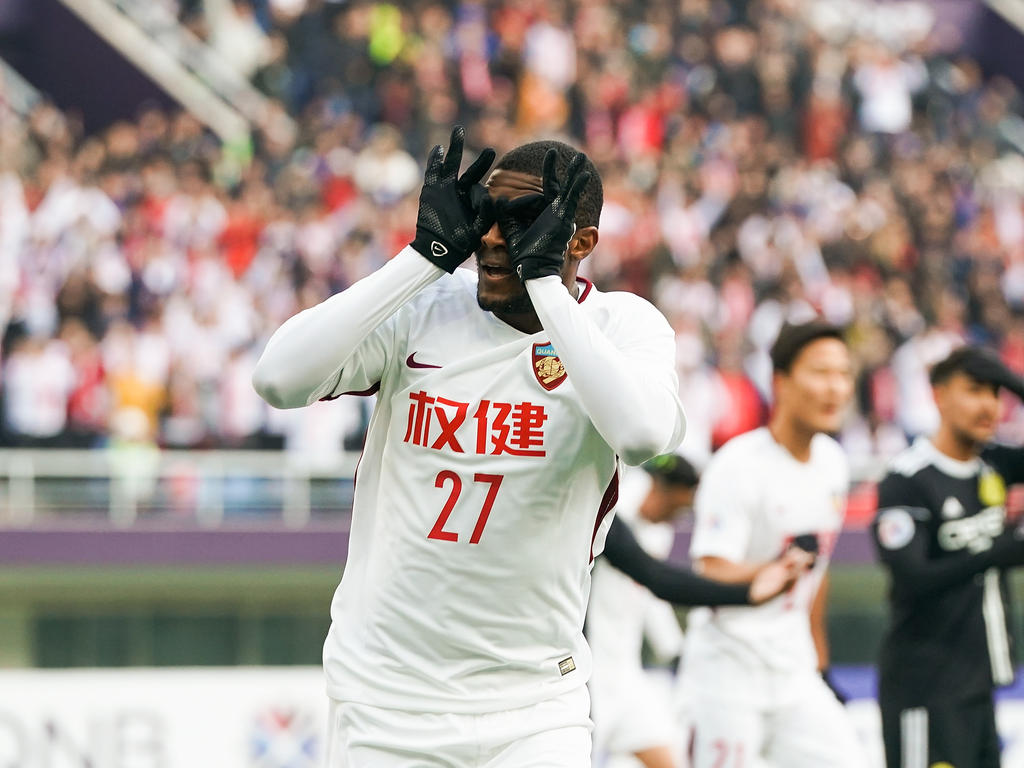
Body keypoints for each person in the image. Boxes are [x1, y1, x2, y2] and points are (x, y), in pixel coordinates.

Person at [251, 126, 689, 767]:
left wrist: (543, 285)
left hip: (536, 703)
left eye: (520, 222)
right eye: (488, 215)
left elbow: (642, 433)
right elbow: (278, 379)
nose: (489, 237)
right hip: (387, 699)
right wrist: (419, 258)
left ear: (582, 241)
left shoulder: (622, 326)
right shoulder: (425, 306)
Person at [680, 319, 867, 767]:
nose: (835, 388)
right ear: (780, 381)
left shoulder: (834, 465)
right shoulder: (738, 466)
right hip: (727, 675)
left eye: (844, 374)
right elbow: (711, 569)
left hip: (794, 674)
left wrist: (820, 662)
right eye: (821, 372)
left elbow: (815, 574)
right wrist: (775, 570)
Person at [588, 454, 812, 768]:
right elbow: (658, 579)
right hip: (586, 682)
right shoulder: (605, 517)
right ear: (658, 488)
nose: (677, 519)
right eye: (677, 508)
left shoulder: (656, 533)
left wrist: (673, 650)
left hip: (626, 680)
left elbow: (647, 595)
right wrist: (749, 592)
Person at [872, 346, 1024, 768]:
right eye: (974, 390)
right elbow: (911, 578)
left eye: (996, 394)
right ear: (938, 395)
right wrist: (998, 553)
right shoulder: (907, 479)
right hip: (925, 689)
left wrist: (1013, 380)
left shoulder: (995, 464)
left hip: (980, 687)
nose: (989, 405)